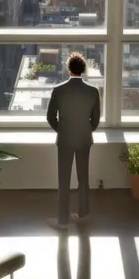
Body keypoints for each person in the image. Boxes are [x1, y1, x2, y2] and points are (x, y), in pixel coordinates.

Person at [45, 52, 101, 230]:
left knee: (64, 179)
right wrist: (85, 130)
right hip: (84, 138)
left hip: (65, 139)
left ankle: (63, 220)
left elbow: (50, 117)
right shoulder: (93, 91)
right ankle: (83, 214)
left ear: (68, 68)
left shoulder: (58, 90)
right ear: (83, 69)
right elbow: (96, 119)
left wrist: (62, 130)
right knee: (83, 177)